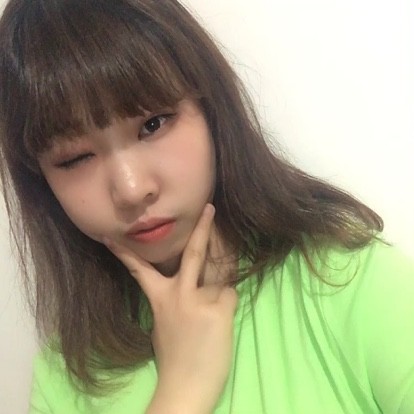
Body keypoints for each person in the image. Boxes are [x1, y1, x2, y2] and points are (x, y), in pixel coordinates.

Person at [0, 0, 413, 413]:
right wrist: (183, 391)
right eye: (75, 158)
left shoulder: (351, 284)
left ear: (211, 110)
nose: (131, 189)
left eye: (152, 124)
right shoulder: (68, 378)